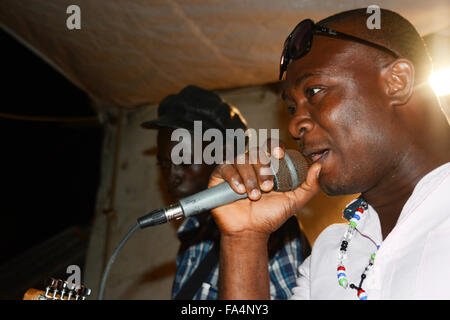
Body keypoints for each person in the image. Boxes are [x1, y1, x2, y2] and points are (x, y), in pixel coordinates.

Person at [209, 8, 450, 300]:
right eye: (291, 108)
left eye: (314, 91)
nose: (295, 124)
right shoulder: (331, 251)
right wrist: (243, 240)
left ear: (396, 81)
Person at [141, 85, 311, 299]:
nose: (172, 176)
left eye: (183, 161)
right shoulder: (192, 234)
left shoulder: (272, 230)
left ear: (226, 157)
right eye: (164, 165)